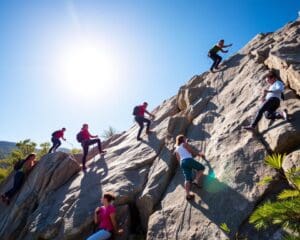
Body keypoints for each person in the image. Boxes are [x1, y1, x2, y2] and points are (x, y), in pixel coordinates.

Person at [175, 135, 206, 201]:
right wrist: (200, 155)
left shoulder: (177, 148)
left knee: (187, 179)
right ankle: (196, 180)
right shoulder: (184, 144)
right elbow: (191, 151)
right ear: (182, 139)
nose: (185, 138)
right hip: (188, 160)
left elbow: (178, 158)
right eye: (184, 138)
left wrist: (182, 164)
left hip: (182, 163)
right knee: (201, 168)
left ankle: (188, 195)